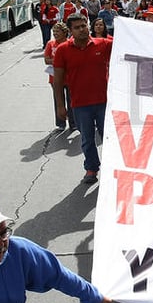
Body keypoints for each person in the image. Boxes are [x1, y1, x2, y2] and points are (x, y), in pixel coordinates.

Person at [53, 14, 113, 184]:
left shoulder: (104, 44)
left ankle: (112, 169)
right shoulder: (63, 50)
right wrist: (60, 106)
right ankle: (91, 168)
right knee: (87, 139)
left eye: (84, 25)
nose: (82, 29)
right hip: (80, 105)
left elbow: (128, 49)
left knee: (109, 139)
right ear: (70, 31)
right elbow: (57, 80)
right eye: (77, 27)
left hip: (104, 102)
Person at [44, 22, 74, 131]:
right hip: (55, 79)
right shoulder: (50, 44)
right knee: (58, 101)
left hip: (69, 78)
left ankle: (73, 122)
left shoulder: (70, 43)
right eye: (54, 32)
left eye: (57, 31)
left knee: (72, 101)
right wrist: (59, 61)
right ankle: (60, 123)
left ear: (64, 32)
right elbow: (46, 60)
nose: (55, 34)